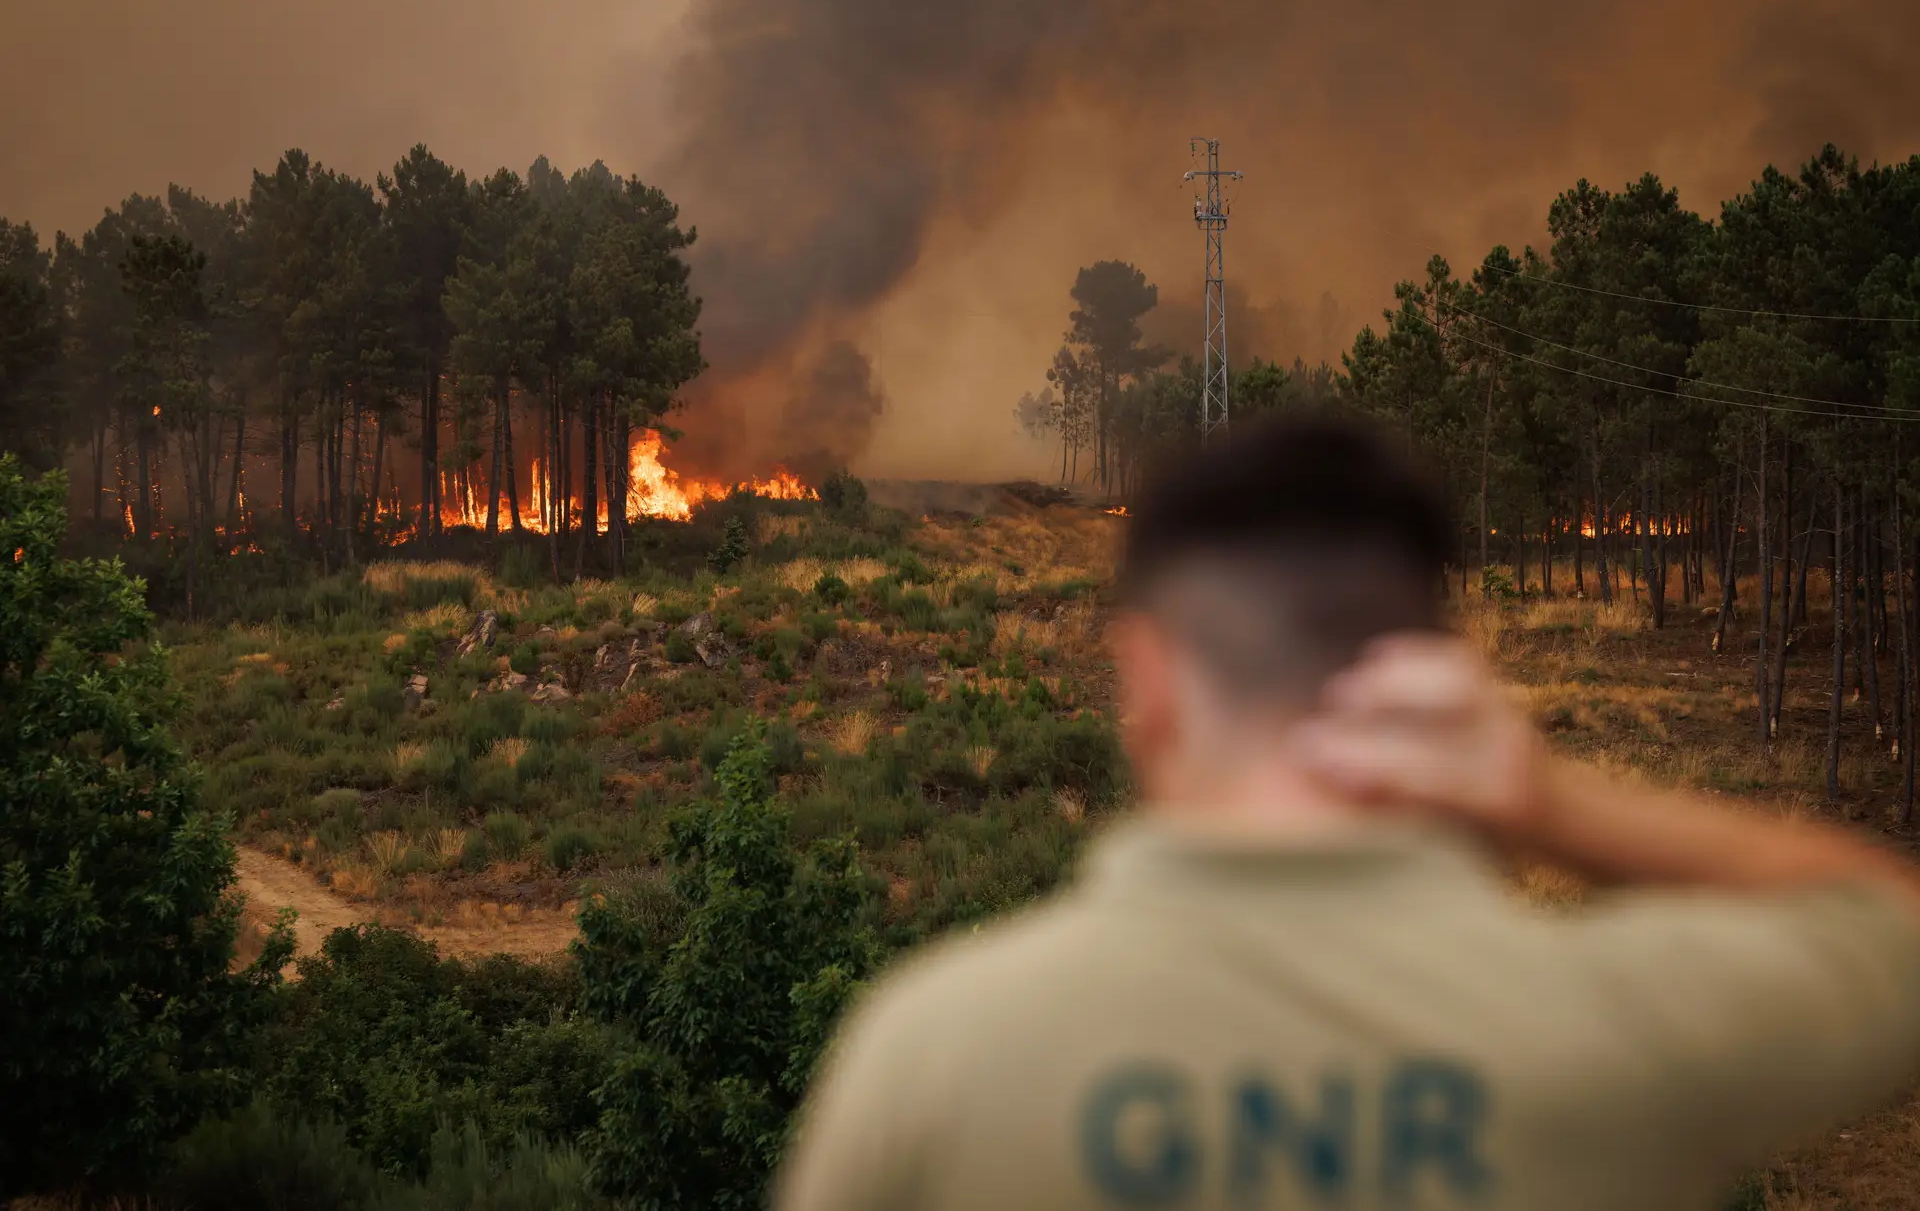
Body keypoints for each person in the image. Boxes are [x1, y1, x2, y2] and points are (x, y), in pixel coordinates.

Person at [776, 409, 1920, 1211]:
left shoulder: (931, 1059)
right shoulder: (1620, 1028)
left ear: (1150, 680)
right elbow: (1891, 928)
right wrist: (1556, 807)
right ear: (1429, 668)